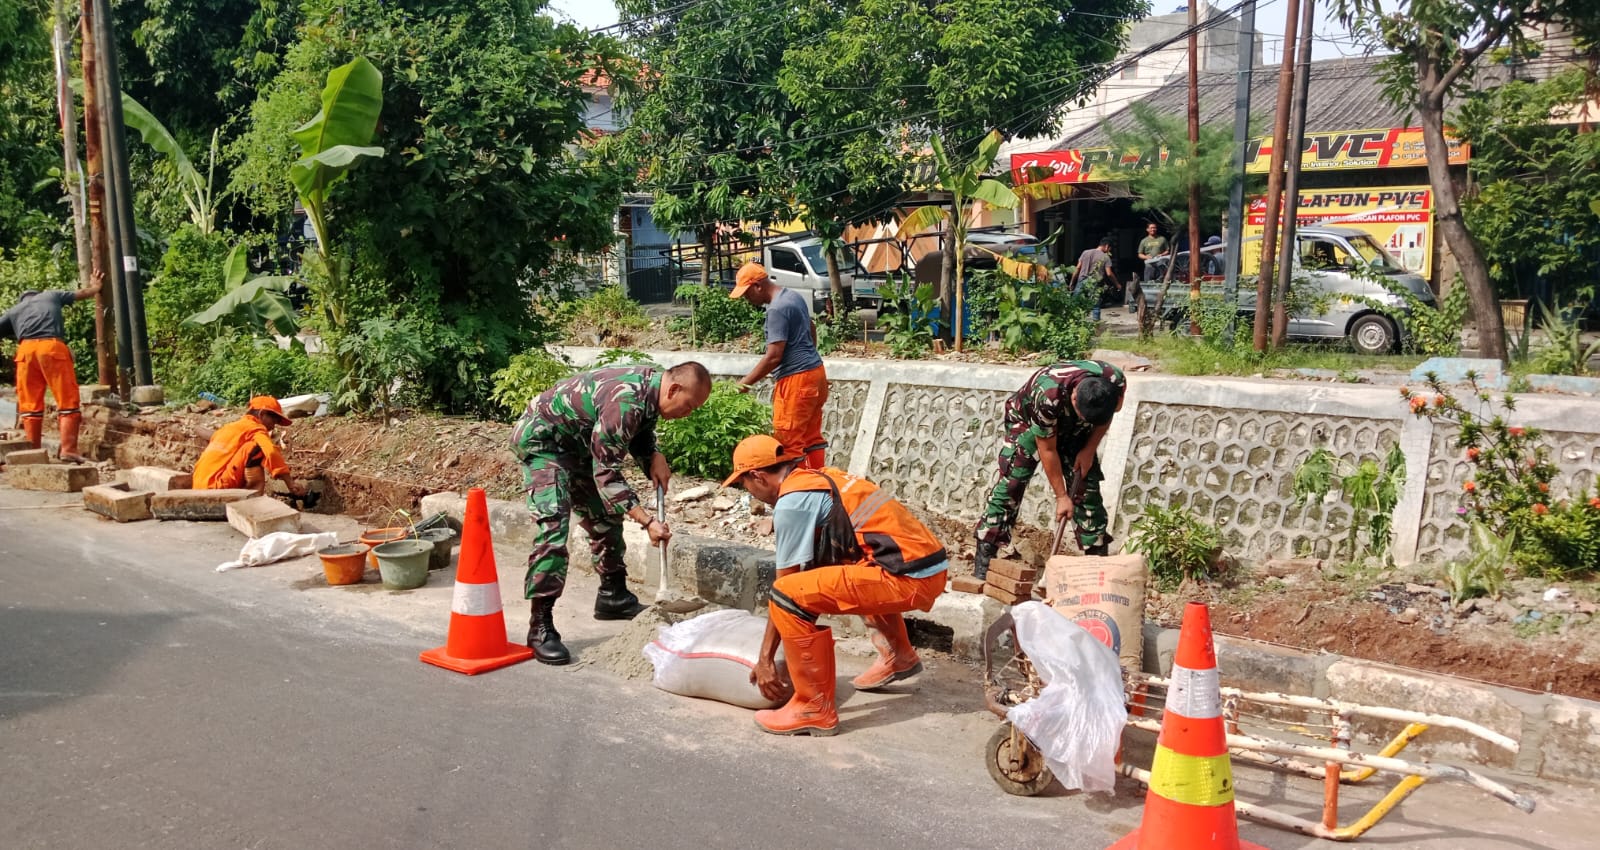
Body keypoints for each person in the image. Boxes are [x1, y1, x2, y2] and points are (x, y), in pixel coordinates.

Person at [723, 435, 948, 736]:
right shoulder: (820, 477)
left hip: (907, 577)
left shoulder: (792, 503)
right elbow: (817, 575)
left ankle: (813, 707)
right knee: (841, 572)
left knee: (787, 594)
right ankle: (899, 657)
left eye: (743, 484)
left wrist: (765, 660)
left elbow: (786, 590)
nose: (748, 492)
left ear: (757, 476)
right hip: (925, 568)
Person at [512, 361, 712, 665]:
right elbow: (606, 472)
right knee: (553, 525)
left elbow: (639, 431)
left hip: (580, 446)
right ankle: (540, 626)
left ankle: (613, 596)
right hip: (545, 444)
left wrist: (652, 456)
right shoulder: (627, 400)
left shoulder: (651, 388)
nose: (690, 412)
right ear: (673, 389)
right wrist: (647, 521)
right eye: (690, 405)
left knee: (606, 516)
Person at [973, 360, 1127, 578]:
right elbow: (1047, 449)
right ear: (1074, 398)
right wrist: (1061, 496)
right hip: (1027, 422)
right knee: (1013, 482)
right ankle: (985, 557)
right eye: (1083, 415)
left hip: (1077, 430)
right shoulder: (1048, 394)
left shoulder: (1114, 380)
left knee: (1086, 484)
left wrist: (1089, 449)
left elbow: (1107, 417)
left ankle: (1096, 563)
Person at [729, 261, 830, 468]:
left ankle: (799, 492)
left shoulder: (776, 309)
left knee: (789, 441)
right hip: (816, 373)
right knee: (811, 436)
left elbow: (774, 356)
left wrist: (745, 383)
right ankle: (819, 480)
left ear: (758, 286)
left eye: (747, 294)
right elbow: (811, 328)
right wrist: (809, 356)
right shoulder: (793, 297)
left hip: (796, 380)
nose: (747, 299)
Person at [0, 270, 103, 463]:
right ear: (37, 294)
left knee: (30, 406)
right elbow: (81, 294)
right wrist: (96, 287)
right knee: (67, 401)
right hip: (51, 347)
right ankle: (68, 450)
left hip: (25, 351)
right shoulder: (50, 295)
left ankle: (33, 452)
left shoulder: (15, 310)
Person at [192, 396, 305, 496]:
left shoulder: (229, 427)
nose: (273, 427)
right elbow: (270, 452)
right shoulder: (255, 428)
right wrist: (290, 483)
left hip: (197, 486)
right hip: (216, 488)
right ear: (262, 414)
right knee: (255, 448)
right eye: (273, 421)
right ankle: (252, 499)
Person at [1073, 236, 1118, 321]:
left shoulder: (1085, 252)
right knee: (1095, 306)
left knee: (1075, 303)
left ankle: (1073, 322)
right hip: (1095, 283)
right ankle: (1096, 326)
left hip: (1081, 280)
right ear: (1107, 246)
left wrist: (1072, 282)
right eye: (1109, 249)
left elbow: (1077, 268)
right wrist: (1117, 284)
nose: (1109, 251)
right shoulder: (1105, 257)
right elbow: (1109, 273)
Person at [1135, 223, 1168, 310]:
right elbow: (1139, 254)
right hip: (1149, 265)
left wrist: (1161, 254)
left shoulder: (1162, 239)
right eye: (1151, 228)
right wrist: (1146, 257)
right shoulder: (1144, 241)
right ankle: (1149, 305)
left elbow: (1167, 250)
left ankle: (1160, 304)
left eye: (1155, 228)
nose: (1153, 229)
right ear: (1147, 230)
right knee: (1148, 285)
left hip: (1160, 265)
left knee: (1161, 284)